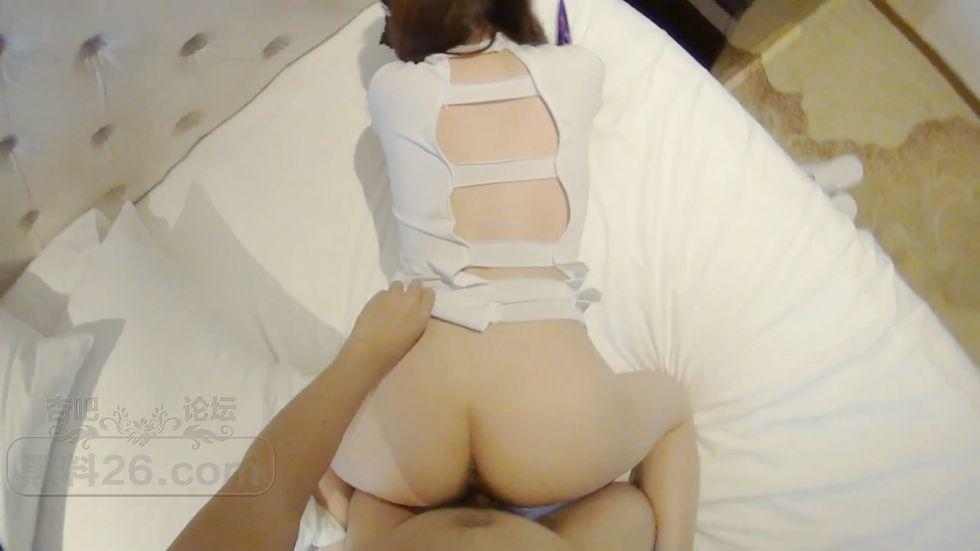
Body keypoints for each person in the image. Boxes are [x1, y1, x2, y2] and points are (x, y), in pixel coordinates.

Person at [323, 1, 700, 549]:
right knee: (668, 416)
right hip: (550, 424)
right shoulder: (578, 70)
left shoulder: (392, 89)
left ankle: (359, 520)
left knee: (366, 489)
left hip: (408, 431)